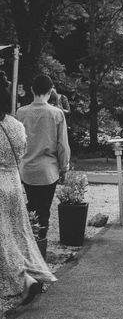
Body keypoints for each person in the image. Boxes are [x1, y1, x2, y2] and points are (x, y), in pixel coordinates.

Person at [0, 71, 57, 313]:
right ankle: (32, 273)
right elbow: (21, 152)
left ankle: (25, 280)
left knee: (4, 241)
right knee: (18, 234)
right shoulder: (14, 125)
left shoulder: (21, 116)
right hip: (13, 182)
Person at [16, 74, 70, 238]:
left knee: (31, 206)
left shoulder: (21, 113)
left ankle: (30, 242)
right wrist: (64, 167)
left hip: (27, 169)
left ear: (32, 90)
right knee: (44, 209)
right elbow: (62, 144)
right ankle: (41, 242)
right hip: (48, 170)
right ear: (50, 90)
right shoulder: (57, 113)